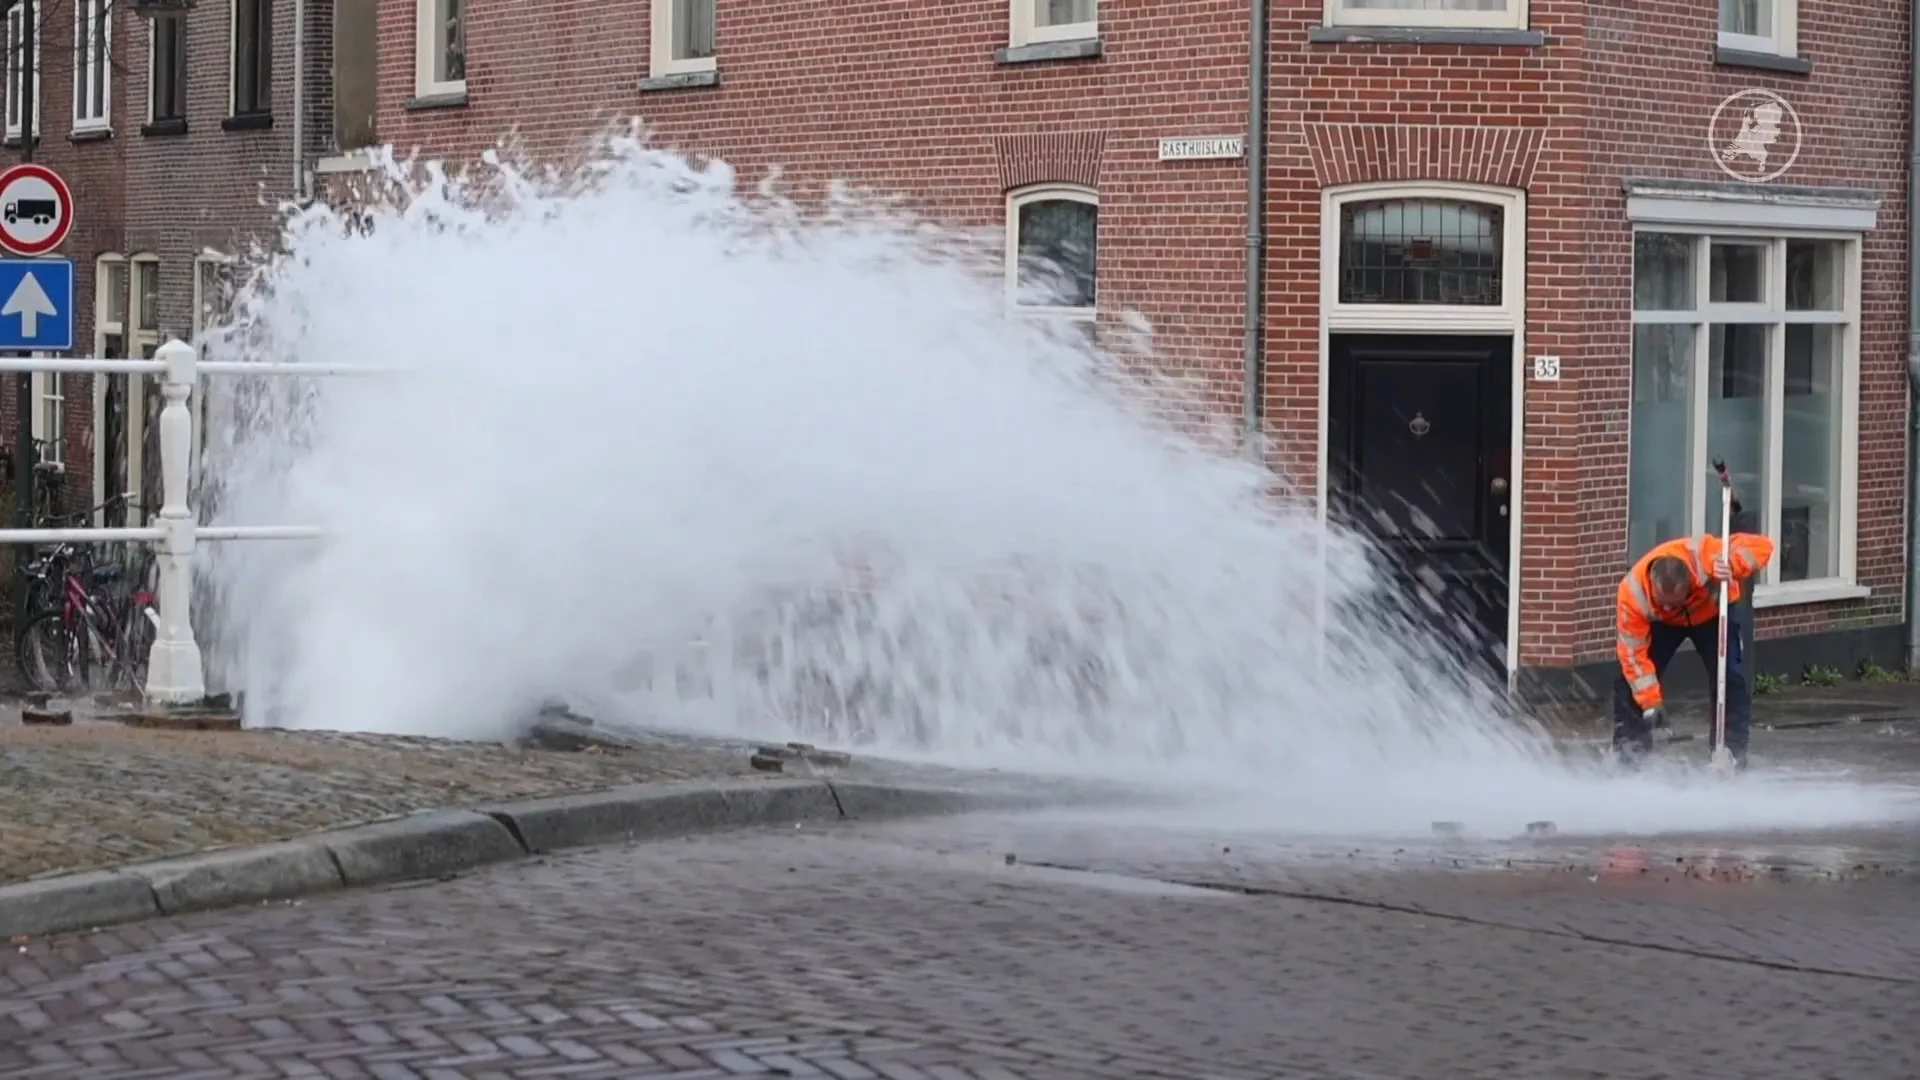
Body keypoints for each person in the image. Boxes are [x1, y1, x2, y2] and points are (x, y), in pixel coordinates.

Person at [1614, 526, 1775, 768]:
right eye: (1662, 602)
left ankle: (1730, 753)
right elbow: (1633, 655)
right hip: (1663, 624)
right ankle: (1629, 755)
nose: (1667, 607)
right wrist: (1650, 702)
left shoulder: (1706, 555)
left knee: (1730, 678)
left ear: (1690, 583)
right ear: (1652, 584)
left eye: (1673, 603)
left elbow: (1763, 546)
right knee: (1629, 684)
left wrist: (1732, 565)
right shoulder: (1633, 594)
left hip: (1711, 614)